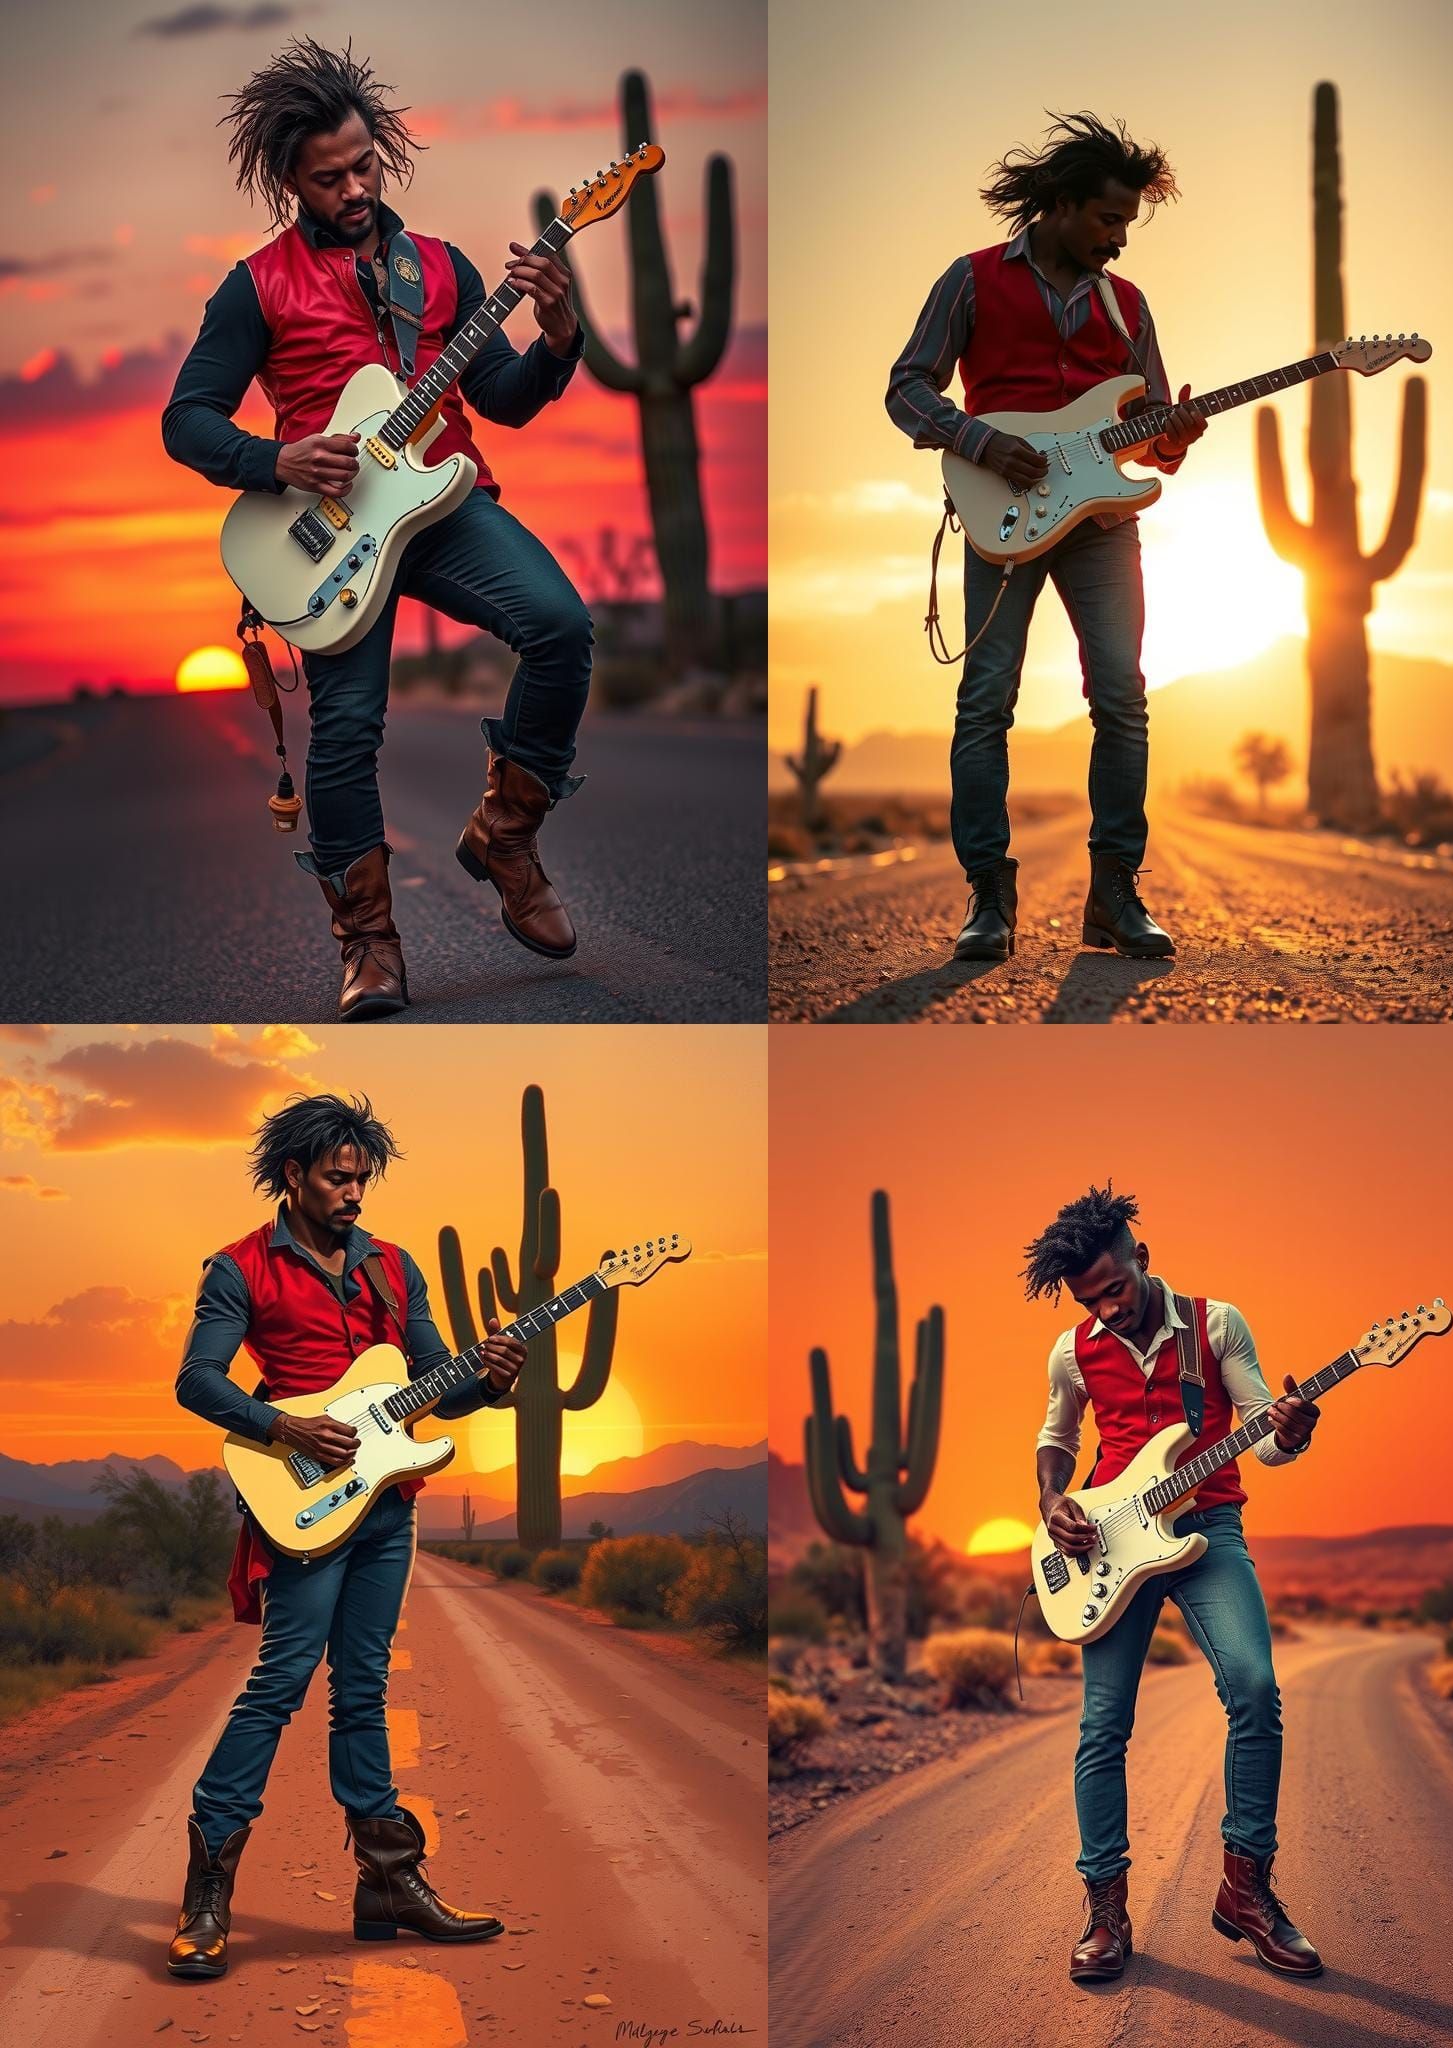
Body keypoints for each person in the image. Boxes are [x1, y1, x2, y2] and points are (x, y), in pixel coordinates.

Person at [162, 36, 591, 1020]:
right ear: (289, 181)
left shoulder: (439, 267)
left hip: (442, 504)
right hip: (328, 527)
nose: (354, 188)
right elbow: (184, 419)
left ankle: (507, 837)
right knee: (347, 730)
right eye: (328, 177)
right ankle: (368, 946)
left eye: (365, 165)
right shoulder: (255, 286)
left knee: (561, 627)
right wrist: (278, 460)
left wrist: (560, 339)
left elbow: (507, 396)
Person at [167, 1092, 526, 1978]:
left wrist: (494, 1379)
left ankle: (389, 1886)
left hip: (386, 1508)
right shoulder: (240, 1267)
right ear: (294, 1176)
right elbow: (196, 1381)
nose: (355, 1191)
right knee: (280, 1682)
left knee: (361, 1686)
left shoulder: (396, 1267)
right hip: (301, 1502)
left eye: (362, 1177)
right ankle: (207, 1888)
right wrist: (282, 1428)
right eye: (338, 1176)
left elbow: (437, 1384)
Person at [887, 110, 1207, 964]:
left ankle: (1115, 896)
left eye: (1127, 225)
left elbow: (1147, 437)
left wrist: (1173, 436)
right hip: (1002, 515)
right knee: (985, 701)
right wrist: (984, 443)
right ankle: (988, 898)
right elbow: (906, 389)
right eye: (1109, 220)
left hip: (1103, 525)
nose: (1118, 241)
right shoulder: (972, 279)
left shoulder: (1128, 304)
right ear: (1061, 205)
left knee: (1123, 701)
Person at [1023, 1183, 1323, 1984]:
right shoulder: (1072, 1350)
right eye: (1091, 1300)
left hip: (1207, 1526)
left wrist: (1288, 1431)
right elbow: (1056, 1437)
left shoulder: (1216, 1324)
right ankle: (1106, 1911)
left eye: (1115, 1289)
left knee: (1256, 1690)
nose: (1108, 1309)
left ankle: (1246, 1890)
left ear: (1142, 1260)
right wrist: (1054, 1502)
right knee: (1102, 1727)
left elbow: (1263, 1431)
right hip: (1109, 1545)